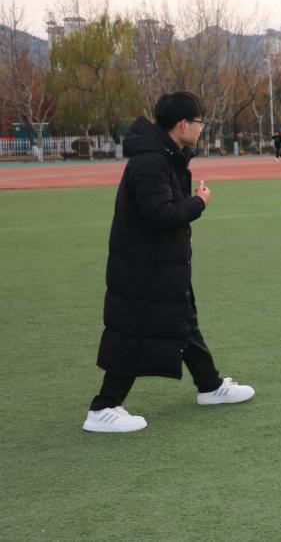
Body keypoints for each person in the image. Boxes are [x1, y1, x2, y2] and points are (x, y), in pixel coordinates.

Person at [83, 91, 254, 433]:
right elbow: (160, 214)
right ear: (183, 124)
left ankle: (209, 385)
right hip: (143, 266)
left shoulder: (167, 156)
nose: (202, 128)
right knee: (134, 329)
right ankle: (103, 407)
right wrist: (199, 203)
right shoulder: (151, 162)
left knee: (182, 320)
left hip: (160, 262)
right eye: (200, 122)